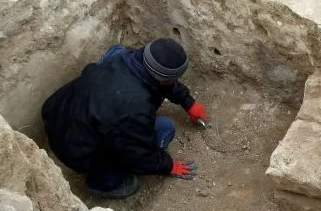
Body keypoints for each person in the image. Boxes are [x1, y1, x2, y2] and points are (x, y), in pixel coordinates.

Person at [42, 38, 208, 198]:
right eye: (174, 79)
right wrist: (168, 165)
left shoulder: (127, 57)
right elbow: (140, 153)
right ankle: (100, 184)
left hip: (58, 111)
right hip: (75, 151)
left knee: (117, 49)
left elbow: (162, 79)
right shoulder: (133, 110)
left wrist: (188, 103)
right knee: (165, 129)